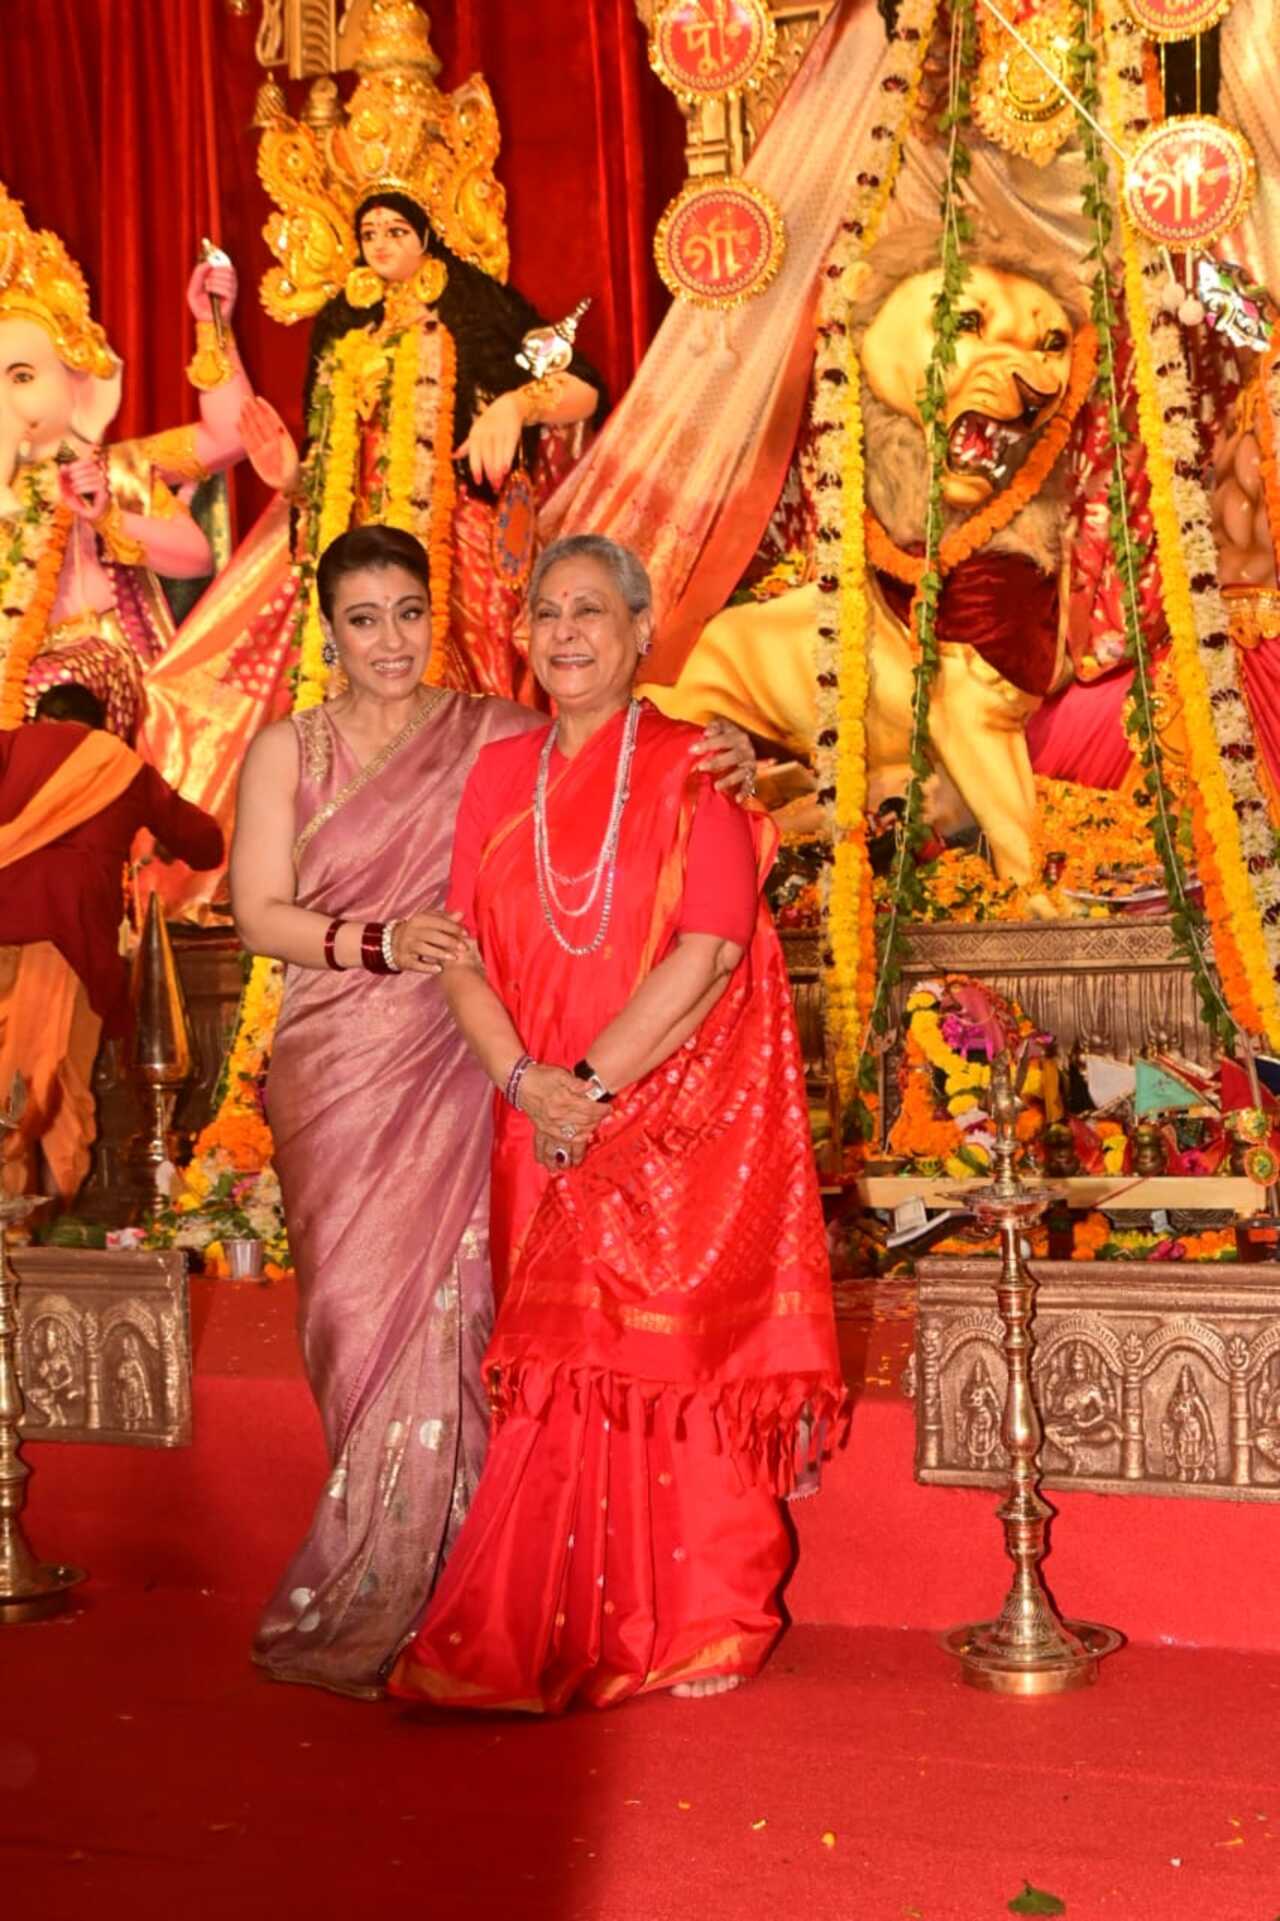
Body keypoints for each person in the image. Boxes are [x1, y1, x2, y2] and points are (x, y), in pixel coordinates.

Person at [229, 524, 753, 1700]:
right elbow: (256, 911)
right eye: (362, 619)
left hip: (471, 1054)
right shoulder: (285, 753)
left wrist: (734, 749)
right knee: (359, 1322)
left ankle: (475, 1575)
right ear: (328, 631)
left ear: (442, 619)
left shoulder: (491, 733)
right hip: (343, 1058)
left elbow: (614, 743)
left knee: (469, 1319)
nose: (389, 640)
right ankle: (371, 1571)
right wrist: (376, 940)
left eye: (408, 613)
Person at [389, 535, 844, 1715]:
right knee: (553, 1374)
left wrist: (584, 1088)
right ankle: (539, 1614)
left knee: (664, 1362)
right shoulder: (495, 778)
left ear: (644, 630)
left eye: (592, 610)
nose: (566, 633)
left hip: (662, 1110)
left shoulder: (701, 761)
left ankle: (697, 1620)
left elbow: (710, 946)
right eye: (545, 613)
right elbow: (456, 954)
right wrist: (521, 1082)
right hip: (531, 1108)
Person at [0, 179, 252, 740]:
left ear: (76, 383)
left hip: (86, 664)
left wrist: (212, 322)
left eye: (22, 376)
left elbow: (233, 440)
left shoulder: (106, 468)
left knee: (51, 687)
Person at [0, 682, 223, 1199]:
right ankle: (34, 1237)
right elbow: (207, 844)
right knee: (50, 1086)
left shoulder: (10, 745)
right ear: (101, 727)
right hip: (65, 938)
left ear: (40, 715)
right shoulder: (119, 767)